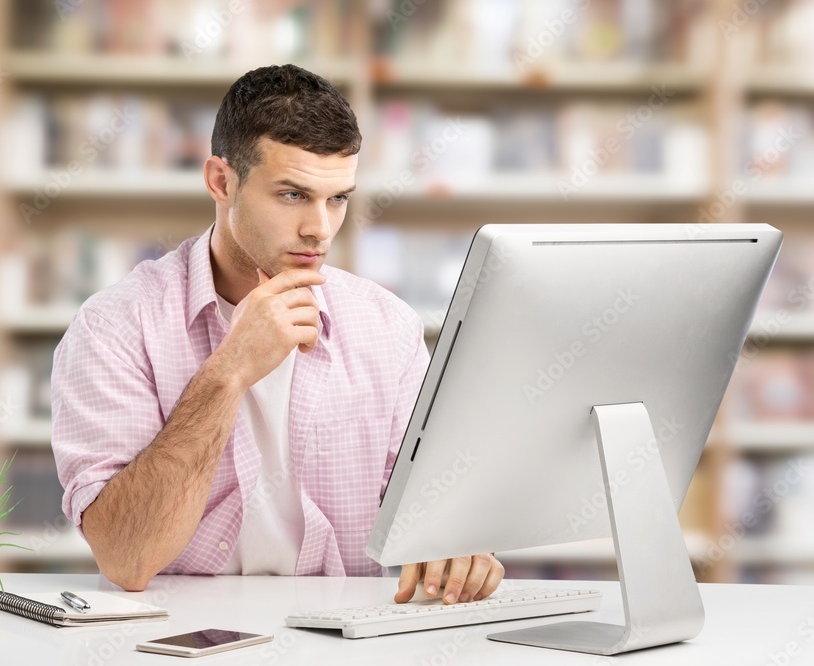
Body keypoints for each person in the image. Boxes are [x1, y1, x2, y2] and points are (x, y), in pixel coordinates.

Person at [51, 64, 504, 604]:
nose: (320, 228)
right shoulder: (115, 326)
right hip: (170, 636)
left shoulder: (388, 327)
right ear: (222, 182)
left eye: (337, 198)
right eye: (292, 195)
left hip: (341, 636)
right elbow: (127, 559)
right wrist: (229, 370)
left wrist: (456, 548)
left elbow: (427, 519)